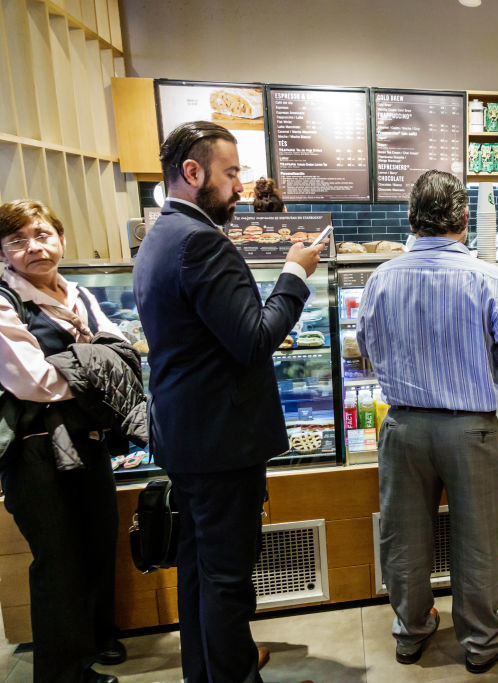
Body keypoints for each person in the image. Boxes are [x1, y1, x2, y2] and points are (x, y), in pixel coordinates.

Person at [133, 121, 322, 682]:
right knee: (227, 581)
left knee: (198, 571)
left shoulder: (160, 235)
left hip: (186, 438)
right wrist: (294, 274)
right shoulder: (200, 242)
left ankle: (212, 669)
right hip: (221, 445)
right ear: (193, 173)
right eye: (232, 172)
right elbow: (254, 339)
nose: (241, 186)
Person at [356, 170, 498, 674]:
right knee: (476, 539)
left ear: (411, 219)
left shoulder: (380, 278)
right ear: (463, 220)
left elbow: (365, 352)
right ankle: (481, 642)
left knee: (405, 536)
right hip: (470, 429)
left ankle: (411, 633)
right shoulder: (489, 278)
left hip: (403, 428)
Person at [0, 200, 131, 683]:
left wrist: (88, 364)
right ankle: (63, 674)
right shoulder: (4, 299)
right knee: (56, 561)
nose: (33, 247)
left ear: (60, 239)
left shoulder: (77, 293)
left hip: (88, 440)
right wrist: (95, 367)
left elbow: (120, 349)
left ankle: (96, 640)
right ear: (2, 253)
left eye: (41, 234)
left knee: (97, 543)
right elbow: (33, 381)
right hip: (34, 451)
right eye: (17, 241)